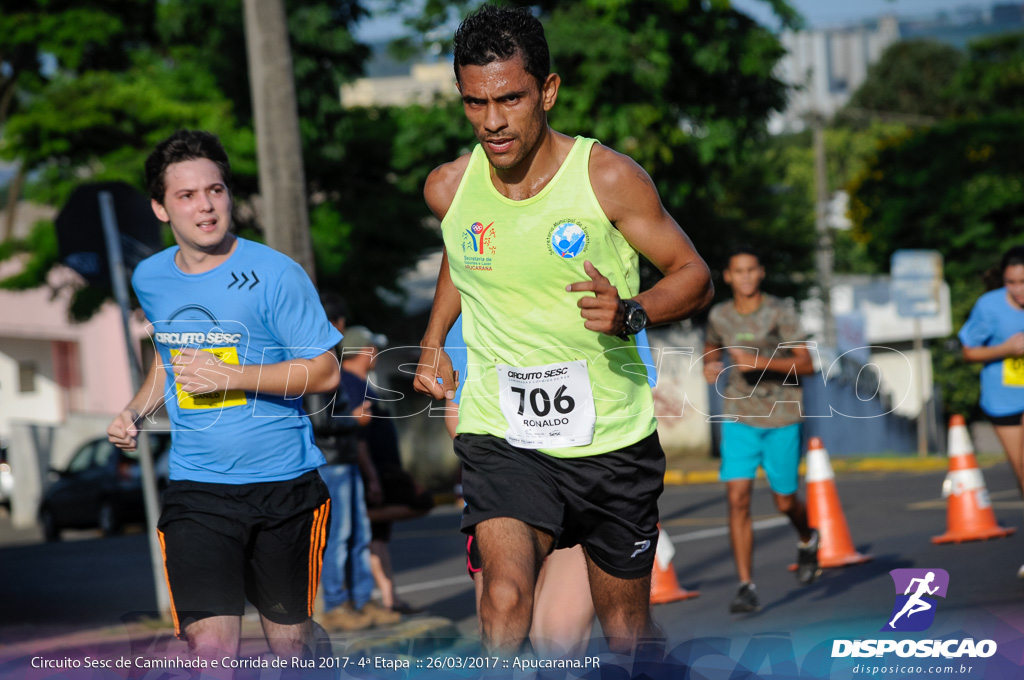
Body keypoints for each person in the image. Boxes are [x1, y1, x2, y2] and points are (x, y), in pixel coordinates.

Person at [414, 4, 713, 656]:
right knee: (504, 597)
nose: (492, 121)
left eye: (510, 99)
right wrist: (434, 339)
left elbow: (694, 274)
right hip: (505, 434)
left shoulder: (607, 179)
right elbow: (461, 257)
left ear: (547, 91)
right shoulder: (449, 189)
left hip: (612, 438)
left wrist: (632, 311)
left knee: (627, 642)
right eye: (475, 103)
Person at [106, 130, 341, 663]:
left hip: (285, 486)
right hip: (198, 489)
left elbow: (326, 372)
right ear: (161, 209)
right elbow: (168, 362)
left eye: (215, 190)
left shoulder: (277, 274)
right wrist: (135, 412)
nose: (205, 206)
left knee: (290, 648)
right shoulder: (151, 278)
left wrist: (233, 376)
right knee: (210, 650)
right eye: (186, 195)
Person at [702, 246, 819, 614]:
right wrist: (709, 364)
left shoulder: (780, 313)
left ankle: (807, 537)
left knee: (784, 499)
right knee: (737, 497)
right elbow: (710, 347)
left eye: (752, 270)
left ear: (761, 273)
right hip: (738, 416)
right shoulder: (719, 315)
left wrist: (761, 362)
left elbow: (808, 364)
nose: (746, 277)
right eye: (739, 271)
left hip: (782, 415)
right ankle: (745, 586)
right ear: (728, 277)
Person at [305, 295, 400, 631]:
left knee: (357, 534)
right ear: (338, 325)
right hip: (332, 461)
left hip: (345, 460)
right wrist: (353, 418)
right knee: (339, 535)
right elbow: (319, 420)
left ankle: (360, 601)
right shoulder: (316, 357)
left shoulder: (327, 359)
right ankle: (335, 605)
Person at [340, 327, 435, 614]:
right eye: (374, 348)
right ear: (365, 350)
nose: (377, 353)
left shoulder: (361, 382)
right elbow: (357, 437)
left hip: (382, 471)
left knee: (378, 536)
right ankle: (356, 517)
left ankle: (390, 598)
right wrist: (371, 477)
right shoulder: (348, 383)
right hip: (371, 474)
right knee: (418, 503)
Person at [959, 245, 1024, 578]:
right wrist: (1008, 348)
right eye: (1012, 282)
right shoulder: (989, 306)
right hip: (1004, 399)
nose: (1018, 290)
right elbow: (968, 352)